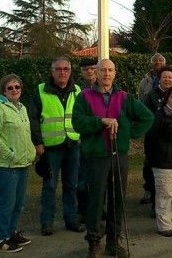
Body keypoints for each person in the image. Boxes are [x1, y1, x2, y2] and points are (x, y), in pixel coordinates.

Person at [72, 59, 154, 258]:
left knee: (117, 199)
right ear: (96, 73)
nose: (106, 74)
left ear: (115, 73)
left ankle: (113, 241)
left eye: (110, 70)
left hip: (119, 155)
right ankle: (94, 241)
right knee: (96, 199)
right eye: (102, 70)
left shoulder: (124, 97)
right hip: (96, 157)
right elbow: (78, 123)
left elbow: (147, 117)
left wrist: (127, 133)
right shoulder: (84, 97)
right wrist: (100, 122)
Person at [29, 57, 85, 236]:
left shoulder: (77, 90)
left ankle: (71, 219)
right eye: (58, 69)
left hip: (73, 145)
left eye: (66, 69)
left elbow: (83, 114)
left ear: (70, 71)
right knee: (49, 186)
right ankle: (47, 222)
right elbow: (34, 118)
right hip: (50, 148)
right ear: (52, 71)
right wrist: (38, 142)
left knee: (71, 184)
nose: (62, 72)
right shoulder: (40, 91)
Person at [0, 74, 36, 252]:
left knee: (19, 203)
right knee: (7, 203)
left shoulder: (22, 108)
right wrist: (9, 154)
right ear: (3, 91)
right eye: (10, 88)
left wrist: (29, 152)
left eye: (17, 87)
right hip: (7, 165)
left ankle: (11, 232)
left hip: (23, 163)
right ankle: (1, 238)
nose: (14, 90)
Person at [145, 86, 172, 237]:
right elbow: (150, 139)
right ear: (166, 100)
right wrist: (152, 158)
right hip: (162, 162)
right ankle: (163, 225)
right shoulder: (160, 116)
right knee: (164, 194)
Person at [141, 66, 172, 217]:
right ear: (159, 79)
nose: (167, 80)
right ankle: (156, 205)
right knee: (156, 175)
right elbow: (145, 115)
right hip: (156, 141)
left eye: (170, 77)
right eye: (164, 77)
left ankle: (171, 206)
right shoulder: (151, 95)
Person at [137, 52, 167, 205]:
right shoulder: (145, 82)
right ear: (151, 63)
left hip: (168, 128)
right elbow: (141, 103)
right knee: (149, 159)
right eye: (155, 60)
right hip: (150, 125)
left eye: (161, 60)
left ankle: (164, 193)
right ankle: (148, 188)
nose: (158, 62)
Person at [77, 58, 97, 222]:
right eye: (86, 69)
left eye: (92, 68)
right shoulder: (77, 90)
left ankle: (99, 208)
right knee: (82, 179)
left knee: (100, 178)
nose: (89, 71)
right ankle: (83, 211)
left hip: (101, 139)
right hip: (83, 140)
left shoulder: (105, 88)